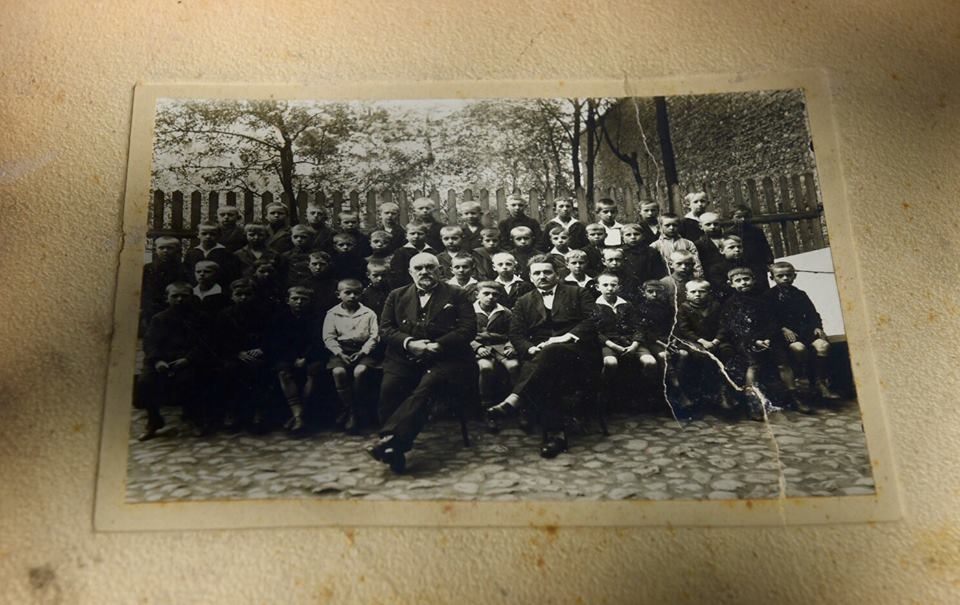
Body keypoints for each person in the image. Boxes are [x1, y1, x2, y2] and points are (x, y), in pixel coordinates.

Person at [367, 252, 477, 473]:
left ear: (440, 271)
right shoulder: (397, 295)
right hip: (405, 357)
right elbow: (385, 329)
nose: (424, 272)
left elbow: (468, 329)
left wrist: (439, 345)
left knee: (428, 386)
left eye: (429, 267)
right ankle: (394, 449)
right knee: (389, 387)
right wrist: (409, 343)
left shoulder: (457, 294)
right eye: (418, 268)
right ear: (410, 272)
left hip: (447, 358)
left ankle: (392, 441)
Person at [487, 254, 600, 458]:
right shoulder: (524, 301)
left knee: (551, 353)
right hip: (539, 357)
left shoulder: (577, 292)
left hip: (577, 355)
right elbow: (516, 334)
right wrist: (530, 349)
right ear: (530, 277)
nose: (542, 276)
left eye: (547, 272)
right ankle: (555, 435)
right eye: (537, 273)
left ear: (557, 275)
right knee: (549, 371)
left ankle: (516, 398)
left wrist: (565, 337)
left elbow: (594, 320)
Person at [719, 267, 812, 417]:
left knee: (783, 363)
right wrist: (754, 340)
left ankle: (795, 397)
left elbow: (772, 321)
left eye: (746, 279)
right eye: (738, 281)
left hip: (768, 339)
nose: (743, 283)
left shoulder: (763, 300)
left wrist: (768, 337)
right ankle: (753, 402)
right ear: (731, 284)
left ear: (753, 280)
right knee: (753, 365)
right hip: (746, 341)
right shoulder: (730, 304)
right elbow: (735, 327)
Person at [137, 282, 214, 440]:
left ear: (191, 297)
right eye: (175, 296)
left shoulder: (201, 318)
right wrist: (157, 361)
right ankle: (154, 421)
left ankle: (194, 418)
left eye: (184, 296)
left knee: (190, 380)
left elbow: (206, 343)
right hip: (163, 360)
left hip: (189, 359)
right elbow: (150, 342)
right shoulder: (159, 318)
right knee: (145, 382)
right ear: (167, 298)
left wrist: (188, 359)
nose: (179, 299)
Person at [763, 261, 841, 401]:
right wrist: (783, 328)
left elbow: (812, 313)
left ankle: (819, 382)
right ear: (772, 278)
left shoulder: (800, 294)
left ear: (794, 276)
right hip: (783, 334)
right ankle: (804, 378)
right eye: (780, 276)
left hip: (804, 330)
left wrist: (817, 326)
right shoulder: (769, 296)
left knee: (823, 345)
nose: (785, 278)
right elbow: (768, 318)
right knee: (799, 348)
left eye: (789, 275)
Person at [213, 278, 272, 433]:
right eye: (239, 294)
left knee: (259, 370)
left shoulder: (264, 313)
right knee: (229, 370)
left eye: (248, 294)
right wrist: (236, 353)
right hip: (233, 354)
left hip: (258, 353)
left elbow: (272, 335)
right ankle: (231, 412)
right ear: (232, 296)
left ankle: (258, 413)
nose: (244, 298)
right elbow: (219, 339)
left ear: (254, 295)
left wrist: (262, 349)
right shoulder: (224, 315)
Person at [322, 278, 380, 433]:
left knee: (360, 371)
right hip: (341, 351)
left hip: (362, 350)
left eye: (357, 293)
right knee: (338, 372)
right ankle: (351, 410)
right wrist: (339, 353)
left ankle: (356, 409)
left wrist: (363, 352)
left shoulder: (369, 313)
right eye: (348, 293)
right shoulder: (332, 314)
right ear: (338, 294)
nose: (353, 296)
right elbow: (328, 337)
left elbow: (374, 337)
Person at [675, 279, 737, 415]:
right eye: (693, 292)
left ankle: (723, 391)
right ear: (687, 294)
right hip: (694, 341)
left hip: (715, 340)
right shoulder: (684, 308)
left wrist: (716, 340)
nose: (697, 294)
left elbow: (723, 326)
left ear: (709, 293)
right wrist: (702, 341)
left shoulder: (715, 306)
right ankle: (704, 392)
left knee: (727, 351)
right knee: (701, 355)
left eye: (702, 291)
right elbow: (685, 329)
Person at [270, 286, 325, 434]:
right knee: (283, 372)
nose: (299, 302)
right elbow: (277, 342)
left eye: (303, 299)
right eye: (295, 299)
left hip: (311, 356)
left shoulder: (317, 318)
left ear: (310, 301)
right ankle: (298, 415)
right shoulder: (280, 318)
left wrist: (305, 357)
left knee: (314, 371)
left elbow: (317, 341)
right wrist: (293, 358)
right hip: (288, 356)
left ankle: (298, 416)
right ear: (287, 300)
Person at [471, 281, 519, 432]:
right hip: (481, 348)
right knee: (486, 367)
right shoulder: (469, 311)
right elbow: (463, 333)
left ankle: (517, 405)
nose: (491, 297)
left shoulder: (505, 312)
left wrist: (511, 345)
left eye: (495, 295)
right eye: (486, 293)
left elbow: (514, 332)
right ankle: (487, 408)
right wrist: (477, 347)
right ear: (477, 294)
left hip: (501, 346)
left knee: (514, 366)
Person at [593, 273, 643, 404]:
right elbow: (595, 331)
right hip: (608, 343)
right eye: (605, 285)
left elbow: (638, 326)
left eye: (613, 285)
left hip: (630, 341)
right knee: (611, 362)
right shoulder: (594, 306)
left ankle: (644, 396)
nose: (610, 288)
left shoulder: (627, 305)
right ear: (598, 287)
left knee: (650, 362)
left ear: (619, 287)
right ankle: (604, 393)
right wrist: (614, 346)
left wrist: (635, 345)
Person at [140, 236, 189, 329]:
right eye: (161, 248)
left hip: (174, 307)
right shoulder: (148, 268)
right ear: (155, 250)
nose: (165, 251)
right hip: (151, 307)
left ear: (177, 250)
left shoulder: (183, 269)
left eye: (170, 248)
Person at [184, 222, 239, 287]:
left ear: (219, 235)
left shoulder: (226, 254)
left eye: (212, 234)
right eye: (204, 234)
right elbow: (187, 273)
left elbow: (232, 275)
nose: (208, 236)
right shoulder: (191, 254)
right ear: (198, 234)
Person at [650, 212, 703, 277]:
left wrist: (698, 277)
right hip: (665, 279)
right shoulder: (655, 246)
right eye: (667, 225)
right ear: (659, 227)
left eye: (675, 225)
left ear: (679, 226)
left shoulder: (688, 243)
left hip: (687, 278)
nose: (671, 228)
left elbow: (696, 263)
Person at [621, 223, 668, 294]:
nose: (633, 237)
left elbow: (658, 272)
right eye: (628, 235)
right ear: (623, 238)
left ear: (643, 236)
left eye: (636, 234)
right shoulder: (620, 252)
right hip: (626, 287)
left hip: (647, 287)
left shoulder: (651, 252)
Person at [727, 204, 774, 274]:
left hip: (757, 265)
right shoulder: (728, 233)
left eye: (746, 217)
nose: (743, 219)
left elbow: (765, 247)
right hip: (738, 266)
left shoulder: (757, 231)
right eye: (738, 217)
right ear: (732, 218)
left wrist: (769, 261)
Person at [390, 222, 437, 286]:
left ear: (426, 235)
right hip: (408, 285)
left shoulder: (432, 252)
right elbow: (398, 274)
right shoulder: (400, 253)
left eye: (420, 234)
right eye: (412, 233)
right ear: (406, 236)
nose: (416, 236)